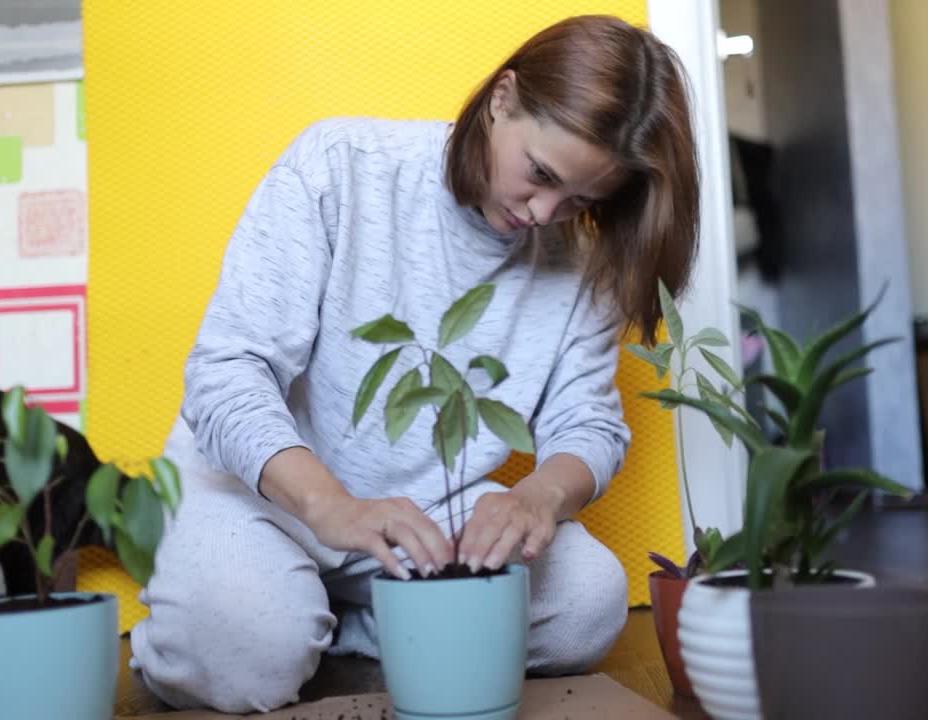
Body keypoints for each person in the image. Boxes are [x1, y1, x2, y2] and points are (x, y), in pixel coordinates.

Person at [129, 14, 700, 714]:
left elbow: (589, 426)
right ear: (502, 98)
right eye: (541, 174)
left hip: (420, 523)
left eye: (583, 199)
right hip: (265, 491)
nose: (546, 212)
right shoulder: (340, 166)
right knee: (244, 657)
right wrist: (330, 505)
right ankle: (268, 617)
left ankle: (330, 626)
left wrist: (537, 497)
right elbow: (225, 375)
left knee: (589, 601)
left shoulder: (582, 262)